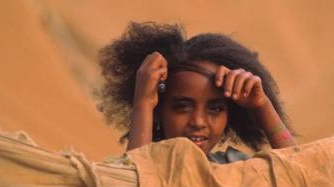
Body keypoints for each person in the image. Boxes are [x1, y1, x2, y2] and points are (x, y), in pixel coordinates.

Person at [97, 22, 296, 159]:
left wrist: (262, 105)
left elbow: (302, 177)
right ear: (158, 111)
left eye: (215, 109)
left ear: (229, 116)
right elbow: (136, 186)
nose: (199, 122)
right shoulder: (135, 169)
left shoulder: (234, 168)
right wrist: (143, 103)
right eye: (182, 107)